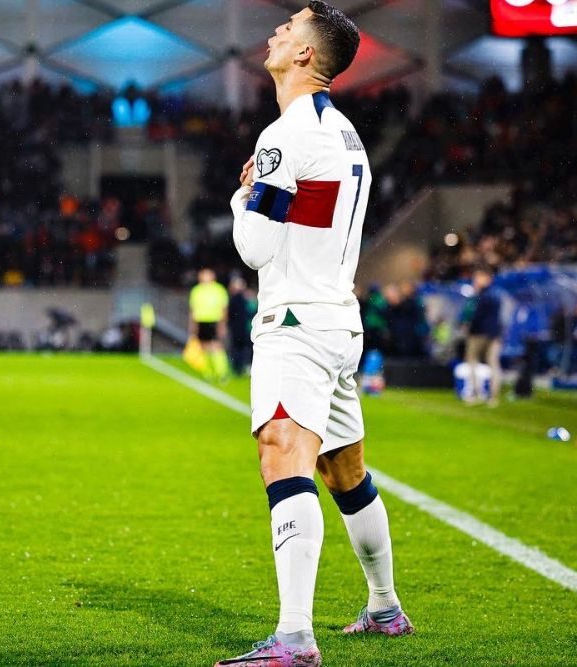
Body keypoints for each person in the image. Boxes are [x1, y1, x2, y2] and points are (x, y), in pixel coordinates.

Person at [220, 4, 411, 665]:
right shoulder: (346, 131)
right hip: (338, 319)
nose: (275, 33)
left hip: (294, 322)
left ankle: (294, 638)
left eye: (288, 28)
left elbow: (253, 247)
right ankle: (385, 606)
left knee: (283, 455)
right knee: (344, 468)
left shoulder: (283, 134)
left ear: (304, 55)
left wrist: (244, 198)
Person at [460, 268, 502, 406]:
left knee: (473, 361)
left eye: (479, 277)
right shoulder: (495, 294)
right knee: (492, 363)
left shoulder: (482, 295)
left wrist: (469, 327)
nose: (476, 280)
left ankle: (477, 394)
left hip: (479, 333)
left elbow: (475, 315)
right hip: (493, 333)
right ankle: (492, 397)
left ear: (487, 278)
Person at [188, 268, 230, 383]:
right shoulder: (196, 290)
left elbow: (224, 308)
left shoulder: (219, 289)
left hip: (215, 320)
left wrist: (223, 324)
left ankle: (222, 373)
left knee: (217, 346)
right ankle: (208, 373)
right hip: (201, 321)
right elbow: (192, 310)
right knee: (203, 347)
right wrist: (193, 326)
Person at [227, 276, 257, 376]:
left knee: (239, 349)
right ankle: (244, 367)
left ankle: (240, 368)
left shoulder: (239, 299)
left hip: (243, 329)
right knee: (244, 349)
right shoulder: (245, 298)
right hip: (245, 328)